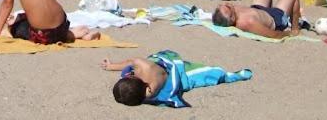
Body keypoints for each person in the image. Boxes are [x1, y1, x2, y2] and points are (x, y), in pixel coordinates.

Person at [103, 51, 252, 108]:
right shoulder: (143, 70)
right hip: (163, 74)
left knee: (206, 75)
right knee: (206, 75)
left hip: (167, 74)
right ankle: (234, 75)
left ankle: (234, 75)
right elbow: (131, 61)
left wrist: (112, 67)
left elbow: (130, 64)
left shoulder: (150, 87)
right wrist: (111, 66)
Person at [212, 0, 302, 39]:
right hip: (276, 19)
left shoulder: (231, 12)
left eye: (222, 5)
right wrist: (289, 33)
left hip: (258, 9)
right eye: (227, 7)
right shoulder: (248, 22)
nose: (227, 4)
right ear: (232, 19)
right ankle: (295, 27)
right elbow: (274, 35)